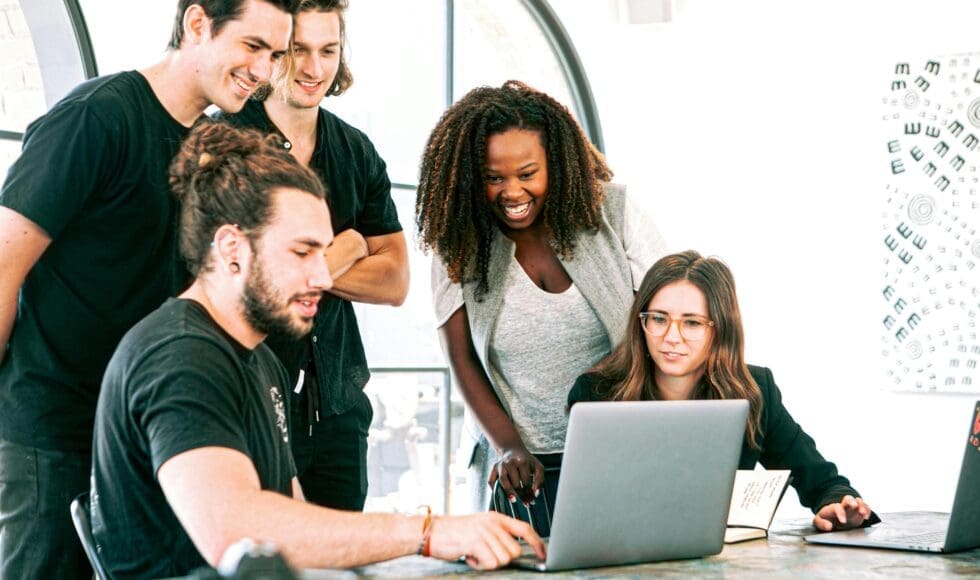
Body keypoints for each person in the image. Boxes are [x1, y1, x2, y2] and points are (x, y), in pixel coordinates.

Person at [89, 121, 543, 578]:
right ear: (231, 248)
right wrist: (426, 533)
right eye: (302, 253)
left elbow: (296, 523)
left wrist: (434, 541)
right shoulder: (180, 356)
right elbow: (238, 534)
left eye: (323, 253)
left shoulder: (260, 360)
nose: (324, 279)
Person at [0, 1, 296, 577]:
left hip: (142, 434)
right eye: (253, 47)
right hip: (54, 430)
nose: (264, 71)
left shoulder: (210, 143)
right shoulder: (96, 117)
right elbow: (3, 263)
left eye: (275, 55)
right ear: (197, 24)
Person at [415, 80, 668, 513]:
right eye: (494, 178)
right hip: (516, 467)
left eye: (528, 174)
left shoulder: (615, 212)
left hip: (617, 450)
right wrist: (509, 447)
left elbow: (665, 324)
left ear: (557, 163)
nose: (512, 192)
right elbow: (462, 358)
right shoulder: (457, 239)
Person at [218, 0, 409, 511]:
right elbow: (237, 273)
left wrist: (298, 264)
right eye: (298, 50)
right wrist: (346, 246)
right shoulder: (224, 142)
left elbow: (395, 281)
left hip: (340, 410)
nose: (313, 68)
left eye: (328, 50)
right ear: (273, 52)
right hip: (249, 404)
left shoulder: (356, 150)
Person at [567, 250, 876, 531]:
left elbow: (822, 481)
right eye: (658, 319)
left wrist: (837, 503)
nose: (671, 337)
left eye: (692, 323)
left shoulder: (754, 391)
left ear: (720, 329)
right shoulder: (597, 394)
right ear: (640, 323)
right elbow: (582, 506)